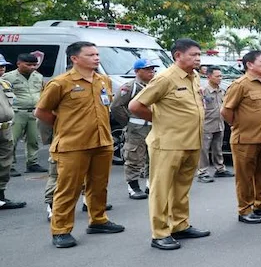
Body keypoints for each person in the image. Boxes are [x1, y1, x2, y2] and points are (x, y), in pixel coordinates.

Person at [35, 41, 125, 248]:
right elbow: (41, 112)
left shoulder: (103, 80)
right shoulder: (60, 83)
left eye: (97, 54)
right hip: (73, 144)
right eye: (90, 55)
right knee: (69, 188)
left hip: (102, 141)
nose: (96, 58)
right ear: (75, 58)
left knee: (99, 184)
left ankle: (98, 220)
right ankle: (61, 230)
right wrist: (64, 127)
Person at [129, 38, 211, 251]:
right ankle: (160, 233)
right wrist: (159, 120)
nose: (198, 59)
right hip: (168, 143)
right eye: (193, 55)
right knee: (161, 189)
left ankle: (179, 225)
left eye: (199, 55)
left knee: (181, 187)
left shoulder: (194, 77)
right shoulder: (165, 78)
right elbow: (135, 105)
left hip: (191, 141)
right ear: (178, 56)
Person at [222, 50, 261, 224]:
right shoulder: (240, 84)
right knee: (244, 176)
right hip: (245, 139)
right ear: (250, 65)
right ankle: (245, 209)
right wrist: (236, 125)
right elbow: (226, 110)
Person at [111, 59, 158, 199]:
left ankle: (151, 184)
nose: (151, 72)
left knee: (154, 157)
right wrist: (128, 122)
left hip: (154, 127)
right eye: (147, 69)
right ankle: (133, 186)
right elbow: (116, 106)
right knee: (134, 157)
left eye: (152, 69)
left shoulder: (155, 85)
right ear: (137, 71)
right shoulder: (130, 87)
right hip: (136, 129)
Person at [3, 53, 47, 173]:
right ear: (19, 64)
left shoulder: (38, 76)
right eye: (28, 65)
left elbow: (42, 92)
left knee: (33, 139)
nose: (32, 67)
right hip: (16, 112)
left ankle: (32, 163)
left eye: (34, 65)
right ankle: (9, 165)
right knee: (11, 140)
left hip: (34, 112)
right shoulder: (8, 77)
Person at [198, 66, 230, 183]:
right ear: (209, 77)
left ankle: (220, 169)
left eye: (221, 76)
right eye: (217, 76)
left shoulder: (222, 91)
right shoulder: (203, 91)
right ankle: (203, 172)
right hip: (206, 124)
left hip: (219, 124)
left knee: (218, 148)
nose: (220, 78)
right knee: (204, 150)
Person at [0, 56, 22, 210]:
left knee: (5, 163)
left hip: (5, 129)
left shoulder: (5, 83)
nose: (2, 68)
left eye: (3, 66)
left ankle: (1, 197)